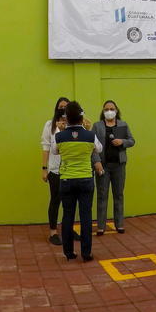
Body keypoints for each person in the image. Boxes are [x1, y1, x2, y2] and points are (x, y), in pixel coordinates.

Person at [49, 101, 104, 261]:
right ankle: (86, 253)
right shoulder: (90, 135)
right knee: (86, 216)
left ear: (66, 118)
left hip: (66, 180)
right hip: (86, 179)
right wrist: (86, 132)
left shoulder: (59, 136)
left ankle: (69, 252)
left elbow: (54, 150)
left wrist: (62, 131)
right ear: (82, 117)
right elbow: (99, 148)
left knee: (68, 216)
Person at [92, 100, 135, 235]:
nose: (109, 111)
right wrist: (96, 162)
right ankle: (101, 226)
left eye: (111, 109)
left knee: (119, 195)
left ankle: (119, 224)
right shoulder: (97, 126)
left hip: (119, 166)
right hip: (103, 166)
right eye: (106, 109)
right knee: (102, 195)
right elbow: (92, 146)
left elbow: (132, 141)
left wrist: (122, 142)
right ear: (103, 111)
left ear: (116, 111)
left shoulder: (123, 124)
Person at [41, 97, 72, 246]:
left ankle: (69, 229)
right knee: (55, 200)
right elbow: (46, 147)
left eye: (66, 107)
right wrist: (44, 168)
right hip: (55, 170)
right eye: (60, 106)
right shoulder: (50, 125)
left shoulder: (74, 125)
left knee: (70, 202)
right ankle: (53, 231)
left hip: (71, 169)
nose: (63, 109)